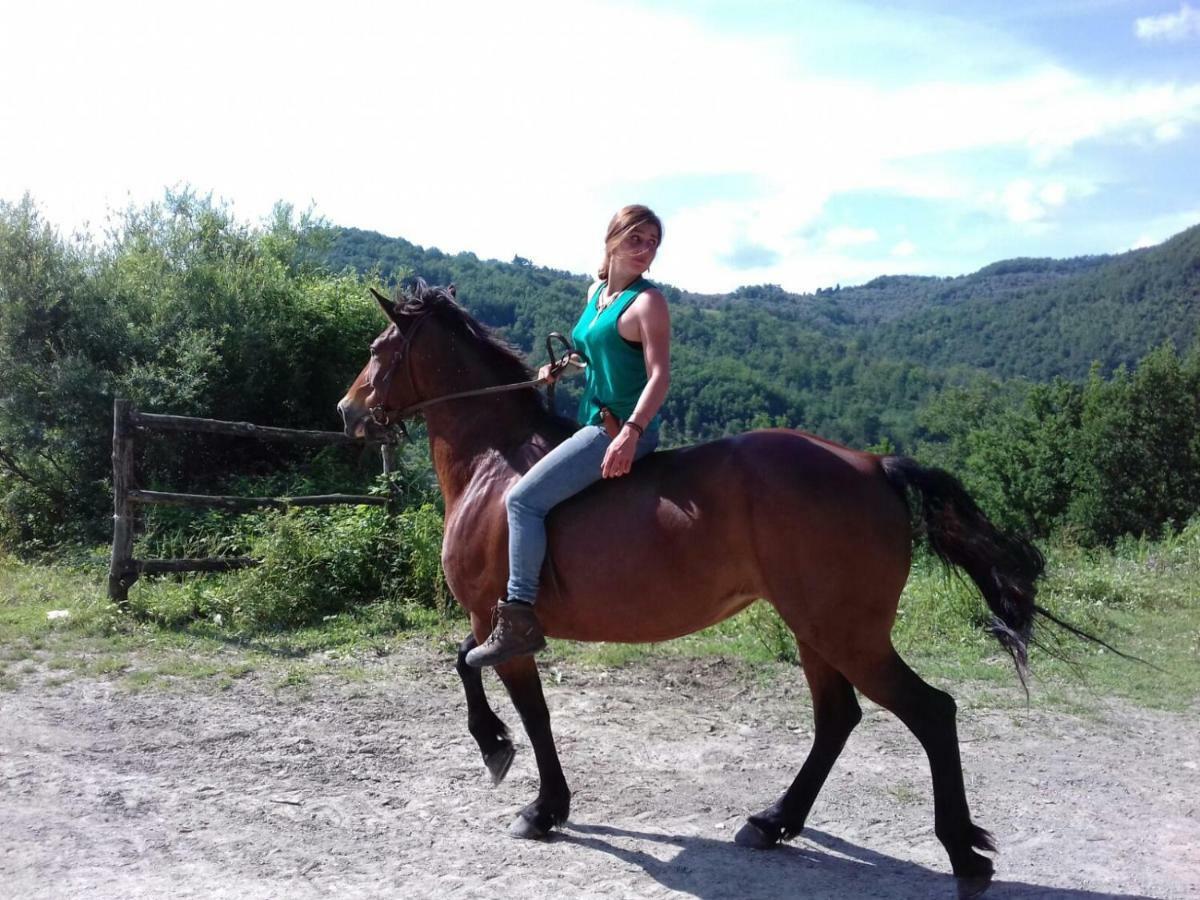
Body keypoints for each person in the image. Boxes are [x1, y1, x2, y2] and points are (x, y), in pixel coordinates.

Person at [466, 205, 670, 667]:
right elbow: (591, 351)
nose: (646, 249)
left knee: (522, 500)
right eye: (637, 238)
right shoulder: (598, 292)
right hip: (592, 420)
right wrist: (561, 368)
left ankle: (518, 619)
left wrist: (631, 434)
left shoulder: (648, 302)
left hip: (617, 427)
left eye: (654, 242)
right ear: (613, 238)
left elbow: (659, 377)